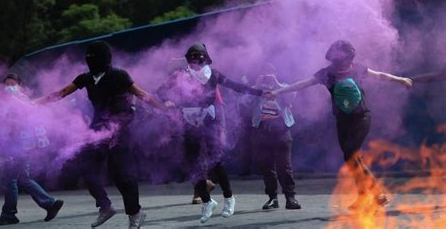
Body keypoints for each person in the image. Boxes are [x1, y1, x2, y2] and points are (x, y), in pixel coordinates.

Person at [35, 41, 164, 228]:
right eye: (89, 58)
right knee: (86, 166)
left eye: (94, 57)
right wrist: (34, 103)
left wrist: (162, 107)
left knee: (121, 174)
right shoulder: (86, 78)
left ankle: (135, 213)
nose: (91, 61)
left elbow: (142, 94)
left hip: (121, 130)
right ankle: (105, 207)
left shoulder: (119, 74)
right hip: (98, 130)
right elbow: (61, 93)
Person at [271, 40, 412, 211]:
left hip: (361, 118)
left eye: (345, 57)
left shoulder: (358, 68)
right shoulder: (326, 74)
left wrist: (400, 80)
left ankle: (376, 193)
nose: (344, 62)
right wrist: (278, 92)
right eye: (339, 58)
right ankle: (363, 197)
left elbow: (380, 75)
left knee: (351, 154)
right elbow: (303, 83)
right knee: (352, 159)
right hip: (342, 121)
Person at [157, 43, 265, 223]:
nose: (195, 64)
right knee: (193, 165)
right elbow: (161, 91)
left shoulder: (213, 74)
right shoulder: (180, 75)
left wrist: (261, 92)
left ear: (205, 59)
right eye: (192, 59)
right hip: (188, 119)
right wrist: (167, 101)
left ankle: (229, 198)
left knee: (216, 162)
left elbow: (236, 86)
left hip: (209, 119)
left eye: (198, 59)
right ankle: (207, 202)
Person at [0, 73, 64, 226]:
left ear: (19, 85)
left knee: (9, 180)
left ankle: (9, 214)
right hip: (19, 145)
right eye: (6, 84)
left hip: (20, 146)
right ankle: (50, 203)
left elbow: (25, 117)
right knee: (22, 178)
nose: (9, 87)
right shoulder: (10, 101)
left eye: (12, 83)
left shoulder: (21, 99)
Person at [251, 66, 301, 210]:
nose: (267, 77)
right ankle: (273, 198)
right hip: (262, 130)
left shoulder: (283, 87)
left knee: (284, 166)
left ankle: (290, 198)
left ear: (275, 74)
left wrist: (277, 84)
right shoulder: (257, 90)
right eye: (264, 74)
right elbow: (243, 102)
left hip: (281, 130)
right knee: (267, 167)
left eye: (270, 74)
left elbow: (292, 96)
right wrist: (256, 86)